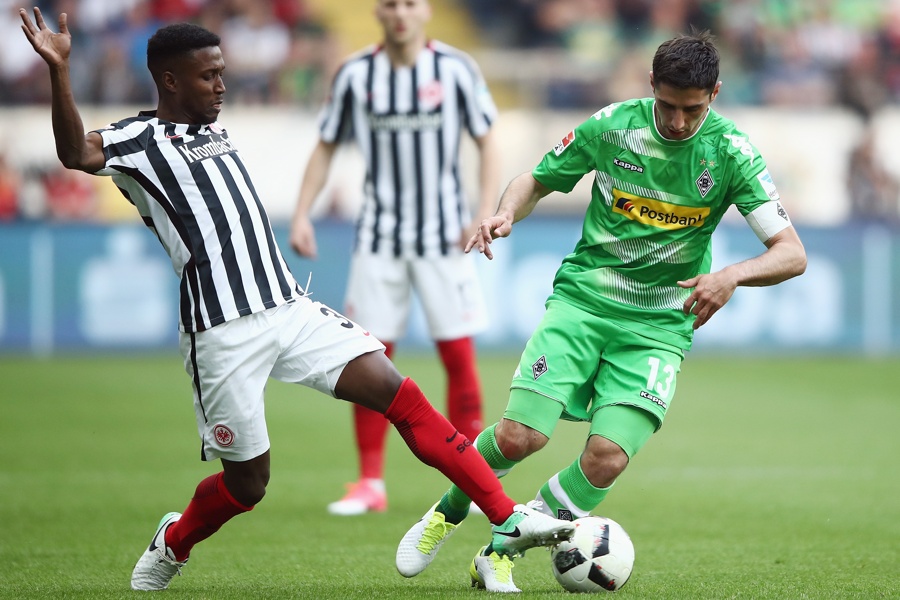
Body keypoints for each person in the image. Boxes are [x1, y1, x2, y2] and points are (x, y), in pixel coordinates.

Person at [18, 6, 575, 592]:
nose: (222, 85)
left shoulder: (212, 129)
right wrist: (60, 70)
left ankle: (507, 516)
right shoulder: (139, 140)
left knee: (398, 392)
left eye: (223, 72)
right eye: (208, 76)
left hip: (287, 307)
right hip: (221, 331)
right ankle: (175, 539)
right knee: (248, 486)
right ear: (169, 81)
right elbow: (74, 154)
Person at [395, 30, 808, 592]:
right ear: (651, 88)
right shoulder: (613, 126)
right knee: (519, 438)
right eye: (668, 106)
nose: (680, 122)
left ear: (715, 93)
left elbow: (791, 252)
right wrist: (505, 212)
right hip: (584, 302)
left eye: (693, 109)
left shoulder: (732, 153)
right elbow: (535, 180)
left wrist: (731, 274)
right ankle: (443, 516)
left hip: (660, 325)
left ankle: (501, 551)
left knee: (608, 457)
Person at [290, 0, 498, 516]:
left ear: (424, 10)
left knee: (457, 355)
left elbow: (487, 139)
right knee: (367, 360)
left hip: (445, 238)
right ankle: (370, 482)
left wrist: (480, 211)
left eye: (409, 3)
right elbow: (325, 144)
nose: (400, 13)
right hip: (379, 239)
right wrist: (301, 213)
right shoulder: (357, 74)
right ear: (378, 13)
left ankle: (468, 480)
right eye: (390, 4)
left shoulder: (454, 69)